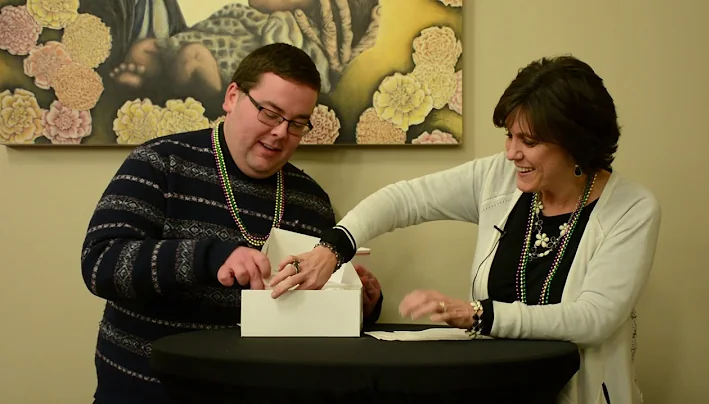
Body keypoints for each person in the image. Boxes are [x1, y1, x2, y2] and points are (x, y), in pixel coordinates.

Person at [269, 55, 661, 404]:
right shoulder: (498, 177)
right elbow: (404, 200)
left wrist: (478, 315)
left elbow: (593, 319)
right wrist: (332, 249)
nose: (511, 153)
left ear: (576, 143)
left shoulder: (632, 208)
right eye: (509, 135)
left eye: (529, 141)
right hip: (497, 388)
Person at [80, 43, 383, 404]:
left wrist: (359, 304)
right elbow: (101, 265)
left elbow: (310, 312)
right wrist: (209, 257)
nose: (281, 133)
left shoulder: (310, 200)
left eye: (298, 123)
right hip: (148, 389)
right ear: (233, 96)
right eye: (270, 113)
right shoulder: (160, 163)